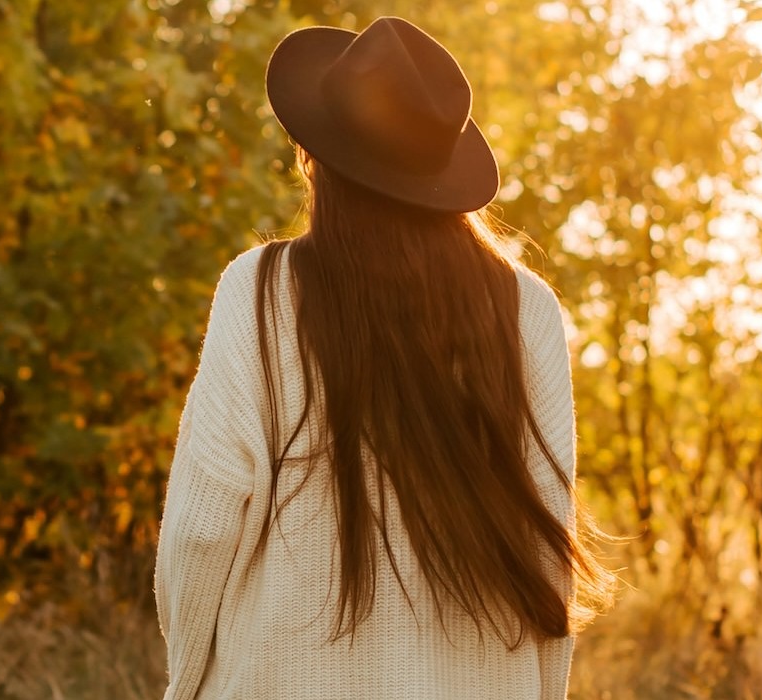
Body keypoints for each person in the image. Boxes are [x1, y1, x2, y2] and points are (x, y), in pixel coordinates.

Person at [154, 16, 614, 699]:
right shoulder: (528, 310)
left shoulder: (259, 292)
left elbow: (202, 529)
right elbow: (550, 553)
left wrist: (186, 683)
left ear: (317, 160)